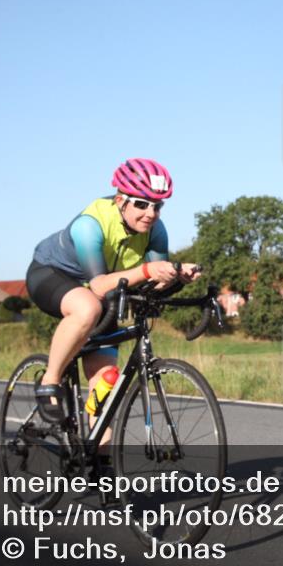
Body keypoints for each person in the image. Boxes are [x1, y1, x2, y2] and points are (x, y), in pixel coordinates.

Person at [26, 158, 201, 426]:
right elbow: (98, 285)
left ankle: (100, 460)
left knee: (104, 386)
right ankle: (50, 381)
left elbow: (152, 283)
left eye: (158, 206)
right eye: (142, 204)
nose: (150, 213)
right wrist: (148, 270)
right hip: (52, 275)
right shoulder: (90, 224)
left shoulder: (155, 230)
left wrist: (177, 275)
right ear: (120, 200)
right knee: (87, 307)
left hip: (105, 293)